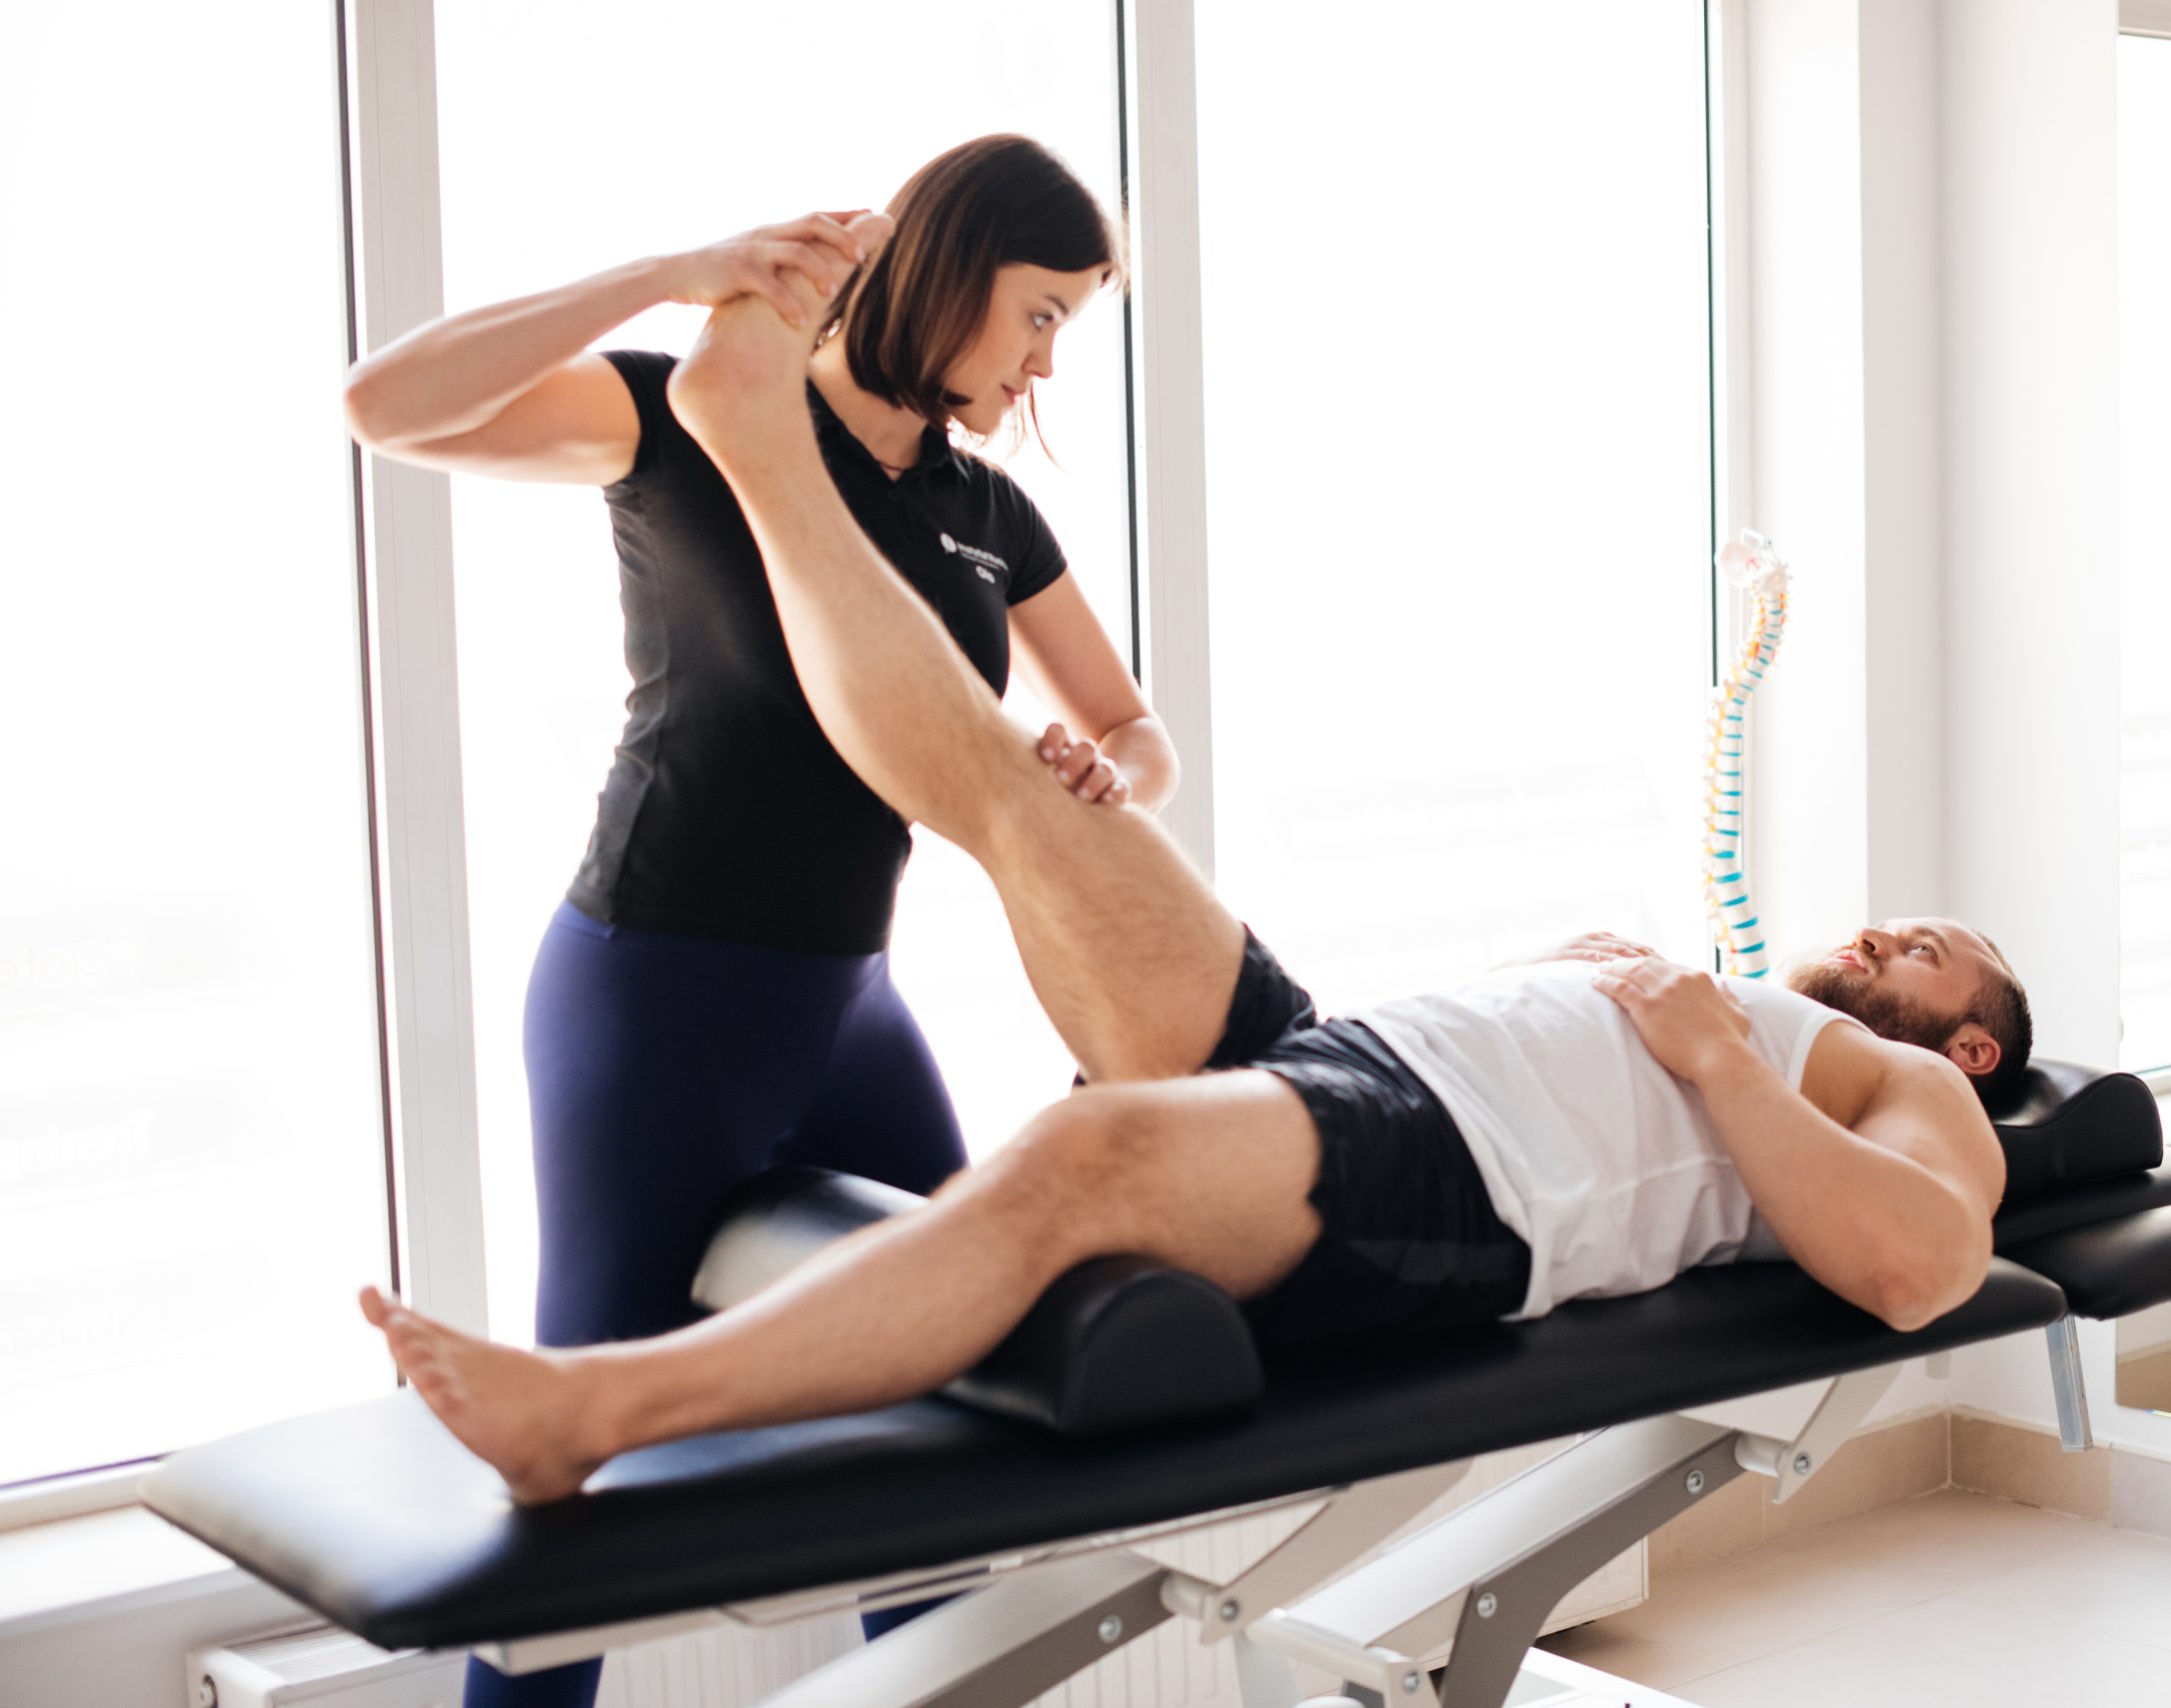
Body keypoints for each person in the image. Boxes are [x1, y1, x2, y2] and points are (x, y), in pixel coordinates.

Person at [359, 280, 2027, 1511]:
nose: (1890, 931)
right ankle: (762, 452)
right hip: (1347, 1052)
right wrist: (1570, 985)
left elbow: (1917, 1267)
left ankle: (594, 1413)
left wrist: (1714, 1052)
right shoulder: (1756, 1007)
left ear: (1966, 1043)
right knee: (1022, 788)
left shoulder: (1905, 1094)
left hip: (1452, 1180)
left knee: (1071, 1157)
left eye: (1931, 951)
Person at [342, 135, 1149, 1699]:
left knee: (956, 1400)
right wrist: (670, 273)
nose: (1050, 361)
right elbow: (383, 405)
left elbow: (1131, 724)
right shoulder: (685, 420)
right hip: (653, 1003)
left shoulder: (986, 512)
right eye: (1042, 313)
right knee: (577, 1482)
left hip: (850, 1010)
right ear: (953, 271)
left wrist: (1105, 770)